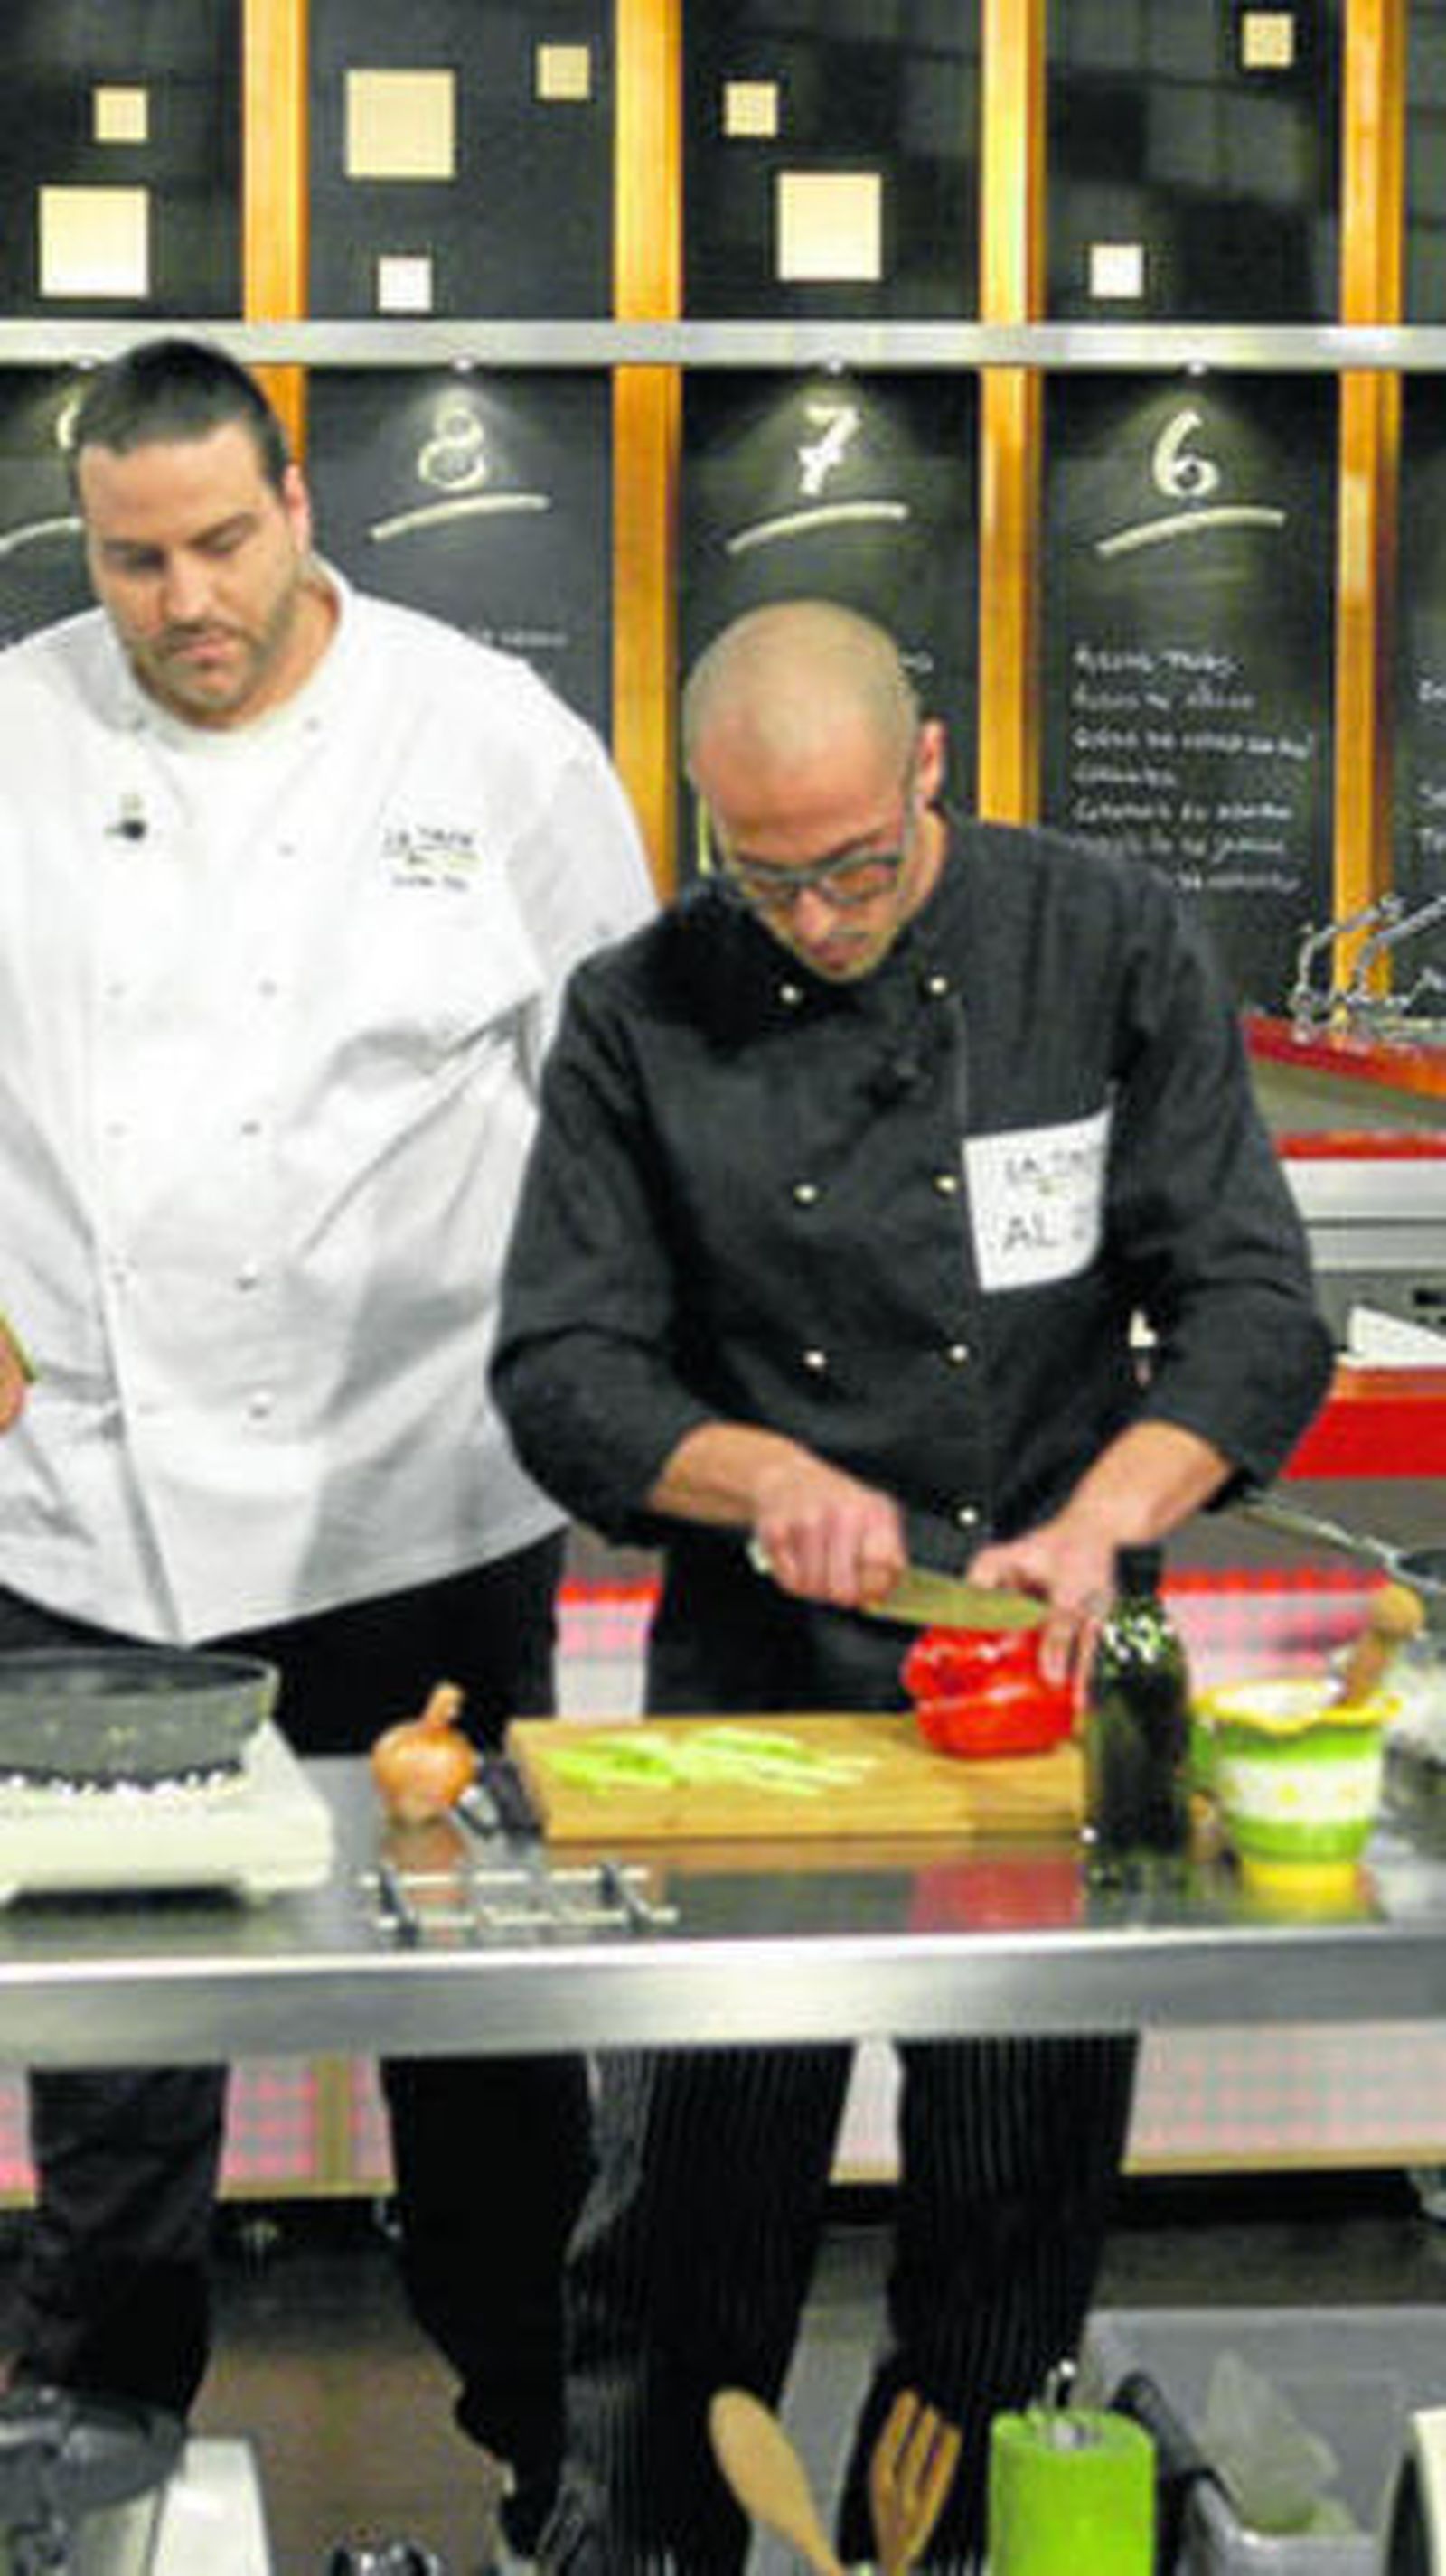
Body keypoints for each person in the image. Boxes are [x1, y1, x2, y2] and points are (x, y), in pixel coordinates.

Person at [491, 597, 1335, 2571]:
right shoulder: (637, 1007)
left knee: (1006, 2222)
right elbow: (565, 1367)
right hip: (755, 1697)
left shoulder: (1102, 939)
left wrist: (1108, 1514)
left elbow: (1247, 1306)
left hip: (1040, 1683)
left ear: (929, 767)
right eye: (760, 873)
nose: (814, 914)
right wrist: (757, 1469)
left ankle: (938, 2557)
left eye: (853, 864)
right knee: (687, 2211)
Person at [0, 336, 653, 2568]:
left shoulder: (489, 741)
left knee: (477, 2040)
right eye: (129, 556)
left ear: (301, 506)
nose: (178, 599)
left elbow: (626, 1101)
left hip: (422, 1503)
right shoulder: (10, 732)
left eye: (217, 541)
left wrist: (605, 1386)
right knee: (113, 2060)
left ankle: (561, 2461)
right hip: (94, 1519)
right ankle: (88, 2456)